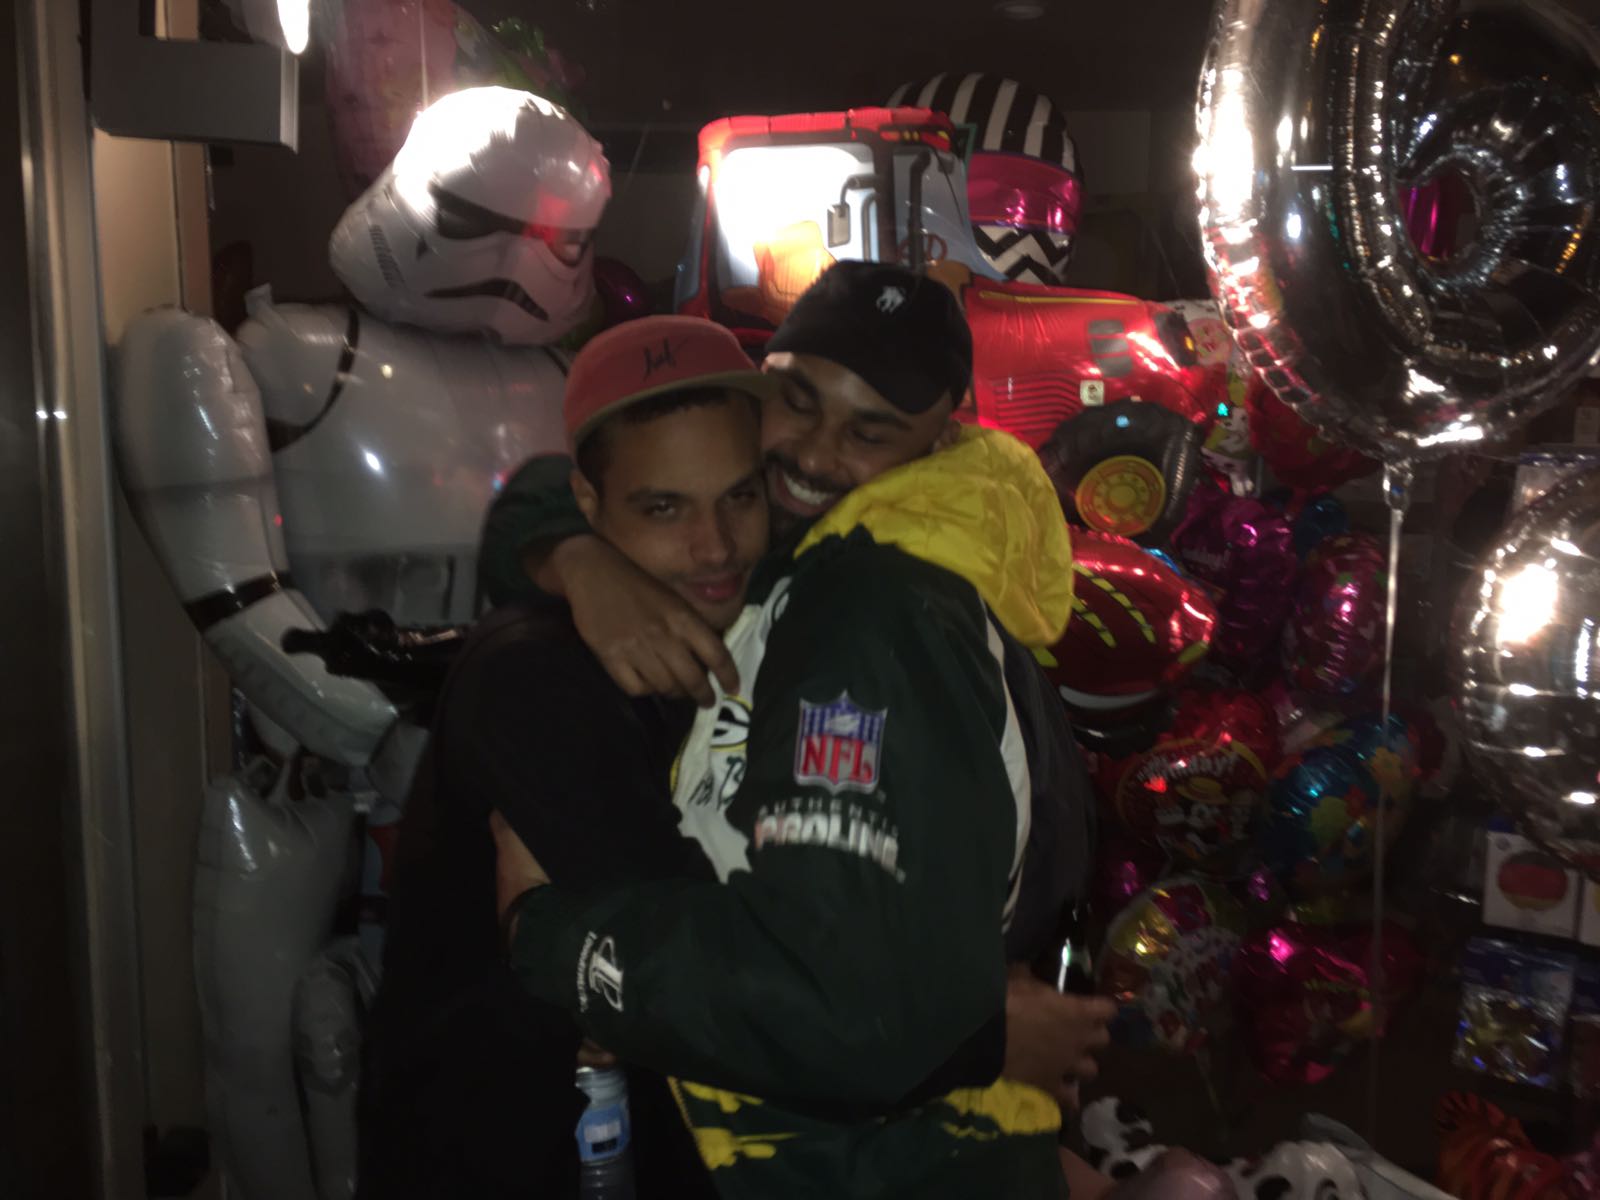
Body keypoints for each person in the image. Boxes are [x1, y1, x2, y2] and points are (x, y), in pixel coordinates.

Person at [491, 262, 1106, 1198]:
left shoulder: (874, 610)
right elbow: (572, 477)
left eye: (871, 430)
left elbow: (836, 1006)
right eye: (799, 401)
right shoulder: (807, 553)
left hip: (880, 1167)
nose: (813, 455)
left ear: (941, 438)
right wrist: (574, 556)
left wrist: (559, 943)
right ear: (763, 380)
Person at [356, 316, 778, 1199]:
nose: (715, 546)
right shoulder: (537, 678)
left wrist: (570, 552)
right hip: (507, 1155)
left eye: (739, 497)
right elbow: (686, 969)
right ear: (590, 504)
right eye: (664, 508)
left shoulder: (749, 608)